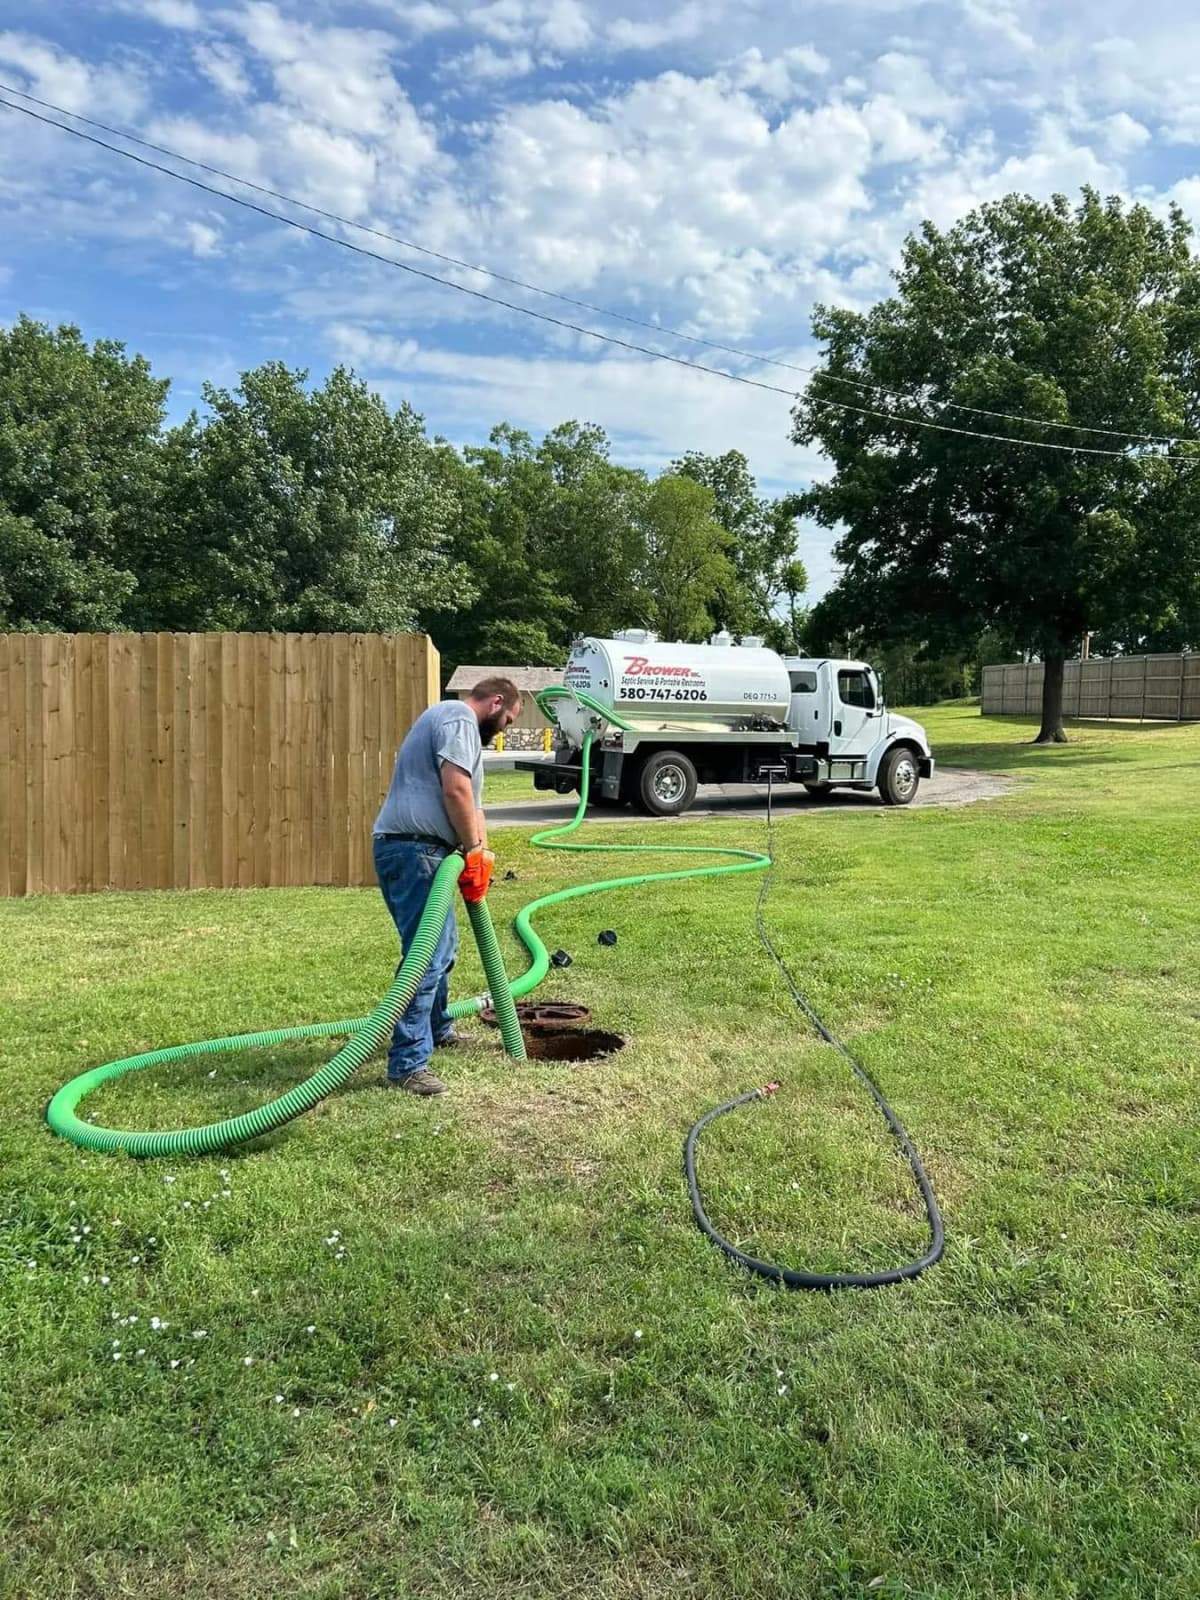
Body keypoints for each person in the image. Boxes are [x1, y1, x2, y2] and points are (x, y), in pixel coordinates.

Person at [372, 677, 522, 1095]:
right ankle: (407, 1063)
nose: (503, 730)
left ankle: (438, 1030)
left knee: (444, 948)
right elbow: (455, 789)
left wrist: (481, 855)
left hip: (423, 853)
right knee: (427, 956)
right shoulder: (458, 717)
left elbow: (472, 803)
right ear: (496, 702)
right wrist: (472, 847)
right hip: (414, 850)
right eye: (507, 720)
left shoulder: (452, 723)